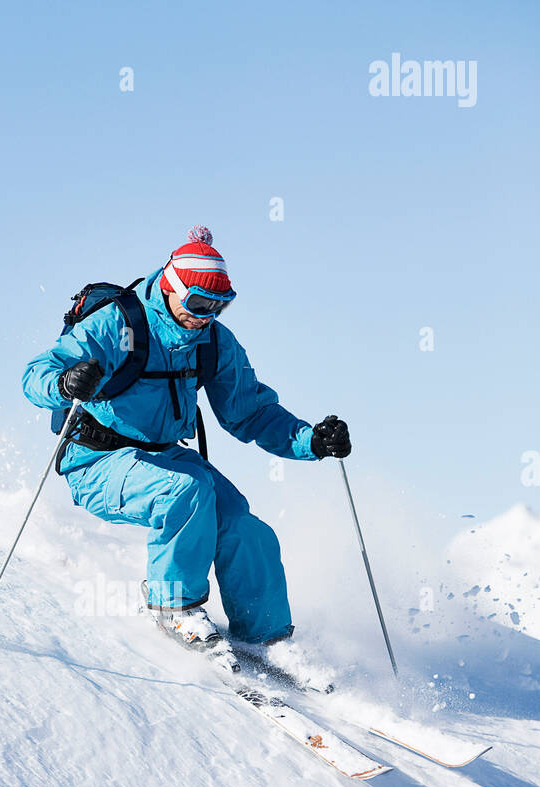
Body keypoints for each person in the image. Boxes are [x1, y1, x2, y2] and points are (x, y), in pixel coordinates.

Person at [21, 226, 350, 669]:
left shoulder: (213, 341)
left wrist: (311, 440)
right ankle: (175, 607)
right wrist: (63, 383)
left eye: (220, 306)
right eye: (199, 303)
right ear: (173, 289)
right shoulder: (118, 323)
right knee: (186, 491)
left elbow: (249, 412)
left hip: (165, 454)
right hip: (96, 459)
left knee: (241, 522)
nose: (207, 315)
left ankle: (266, 637)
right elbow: (37, 372)